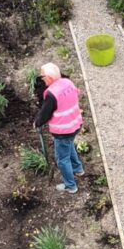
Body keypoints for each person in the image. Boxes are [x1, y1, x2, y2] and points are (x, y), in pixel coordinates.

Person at [34, 62, 84, 194]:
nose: (41, 78)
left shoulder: (51, 93)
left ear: (49, 78)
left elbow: (45, 113)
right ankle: (78, 169)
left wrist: (37, 123)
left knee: (62, 159)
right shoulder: (68, 83)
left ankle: (70, 185)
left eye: (42, 76)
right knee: (69, 146)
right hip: (75, 124)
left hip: (63, 131)